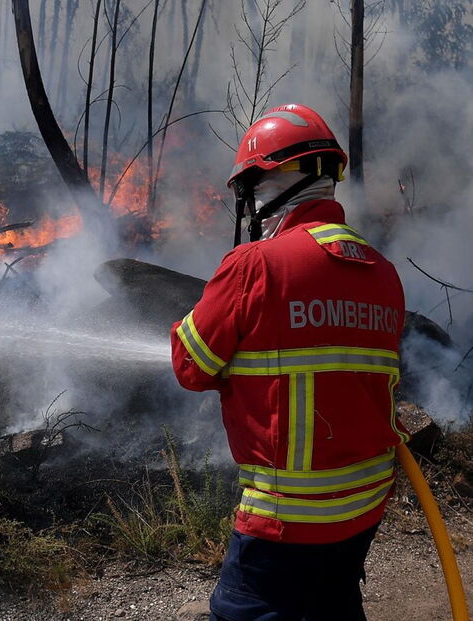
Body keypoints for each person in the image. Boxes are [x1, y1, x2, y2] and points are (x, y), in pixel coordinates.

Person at [170, 103, 407, 621]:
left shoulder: (255, 266)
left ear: (275, 180)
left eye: (250, 187)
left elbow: (191, 367)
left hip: (283, 526)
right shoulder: (383, 275)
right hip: (362, 514)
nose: (250, 201)